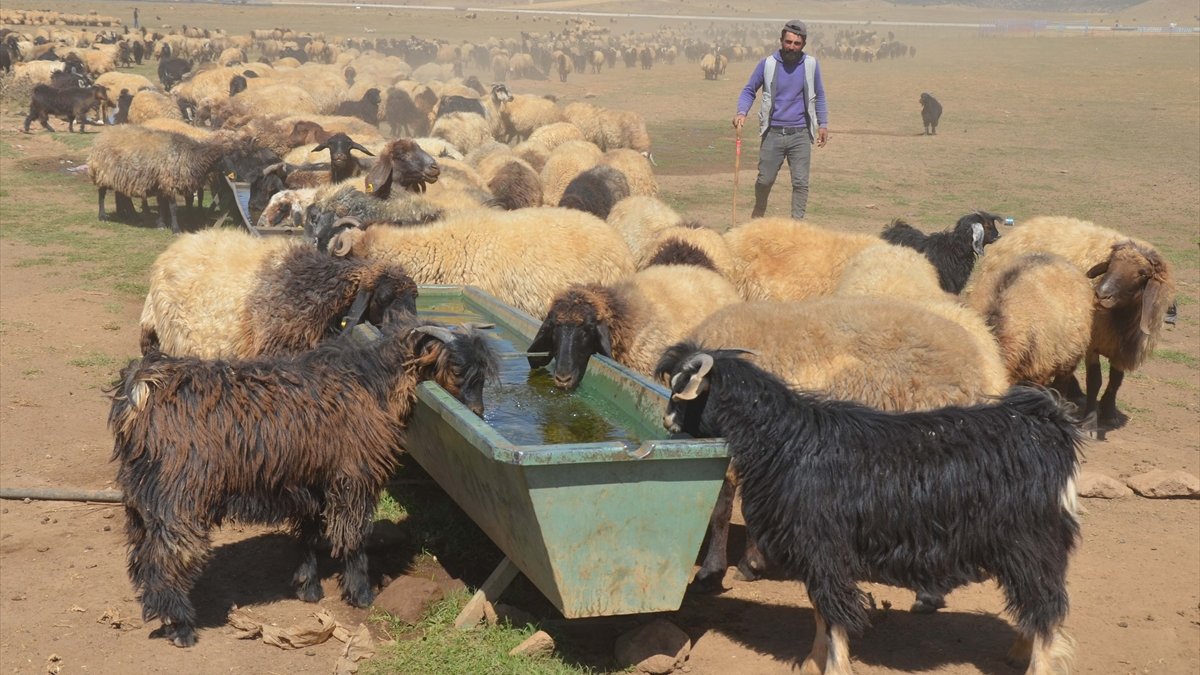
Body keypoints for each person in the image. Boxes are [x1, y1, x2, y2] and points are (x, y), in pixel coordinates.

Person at [732, 20, 828, 220]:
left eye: (796, 43)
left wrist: (823, 124)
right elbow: (749, 90)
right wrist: (742, 112)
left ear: (803, 44)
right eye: (788, 42)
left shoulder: (810, 65)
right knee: (764, 180)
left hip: (800, 133)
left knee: (801, 183)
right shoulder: (768, 64)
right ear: (781, 40)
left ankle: (797, 226)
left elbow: (819, 95)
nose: (791, 47)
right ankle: (758, 213)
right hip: (773, 133)